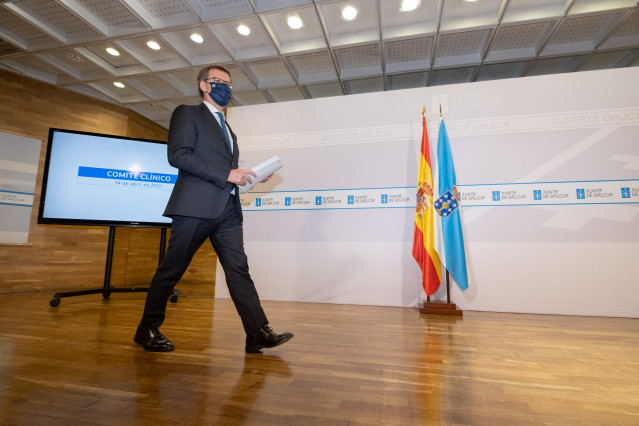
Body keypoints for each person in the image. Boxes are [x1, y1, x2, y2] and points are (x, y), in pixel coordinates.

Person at [134, 65, 293, 353]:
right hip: (194, 207)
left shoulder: (228, 128)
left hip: (228, 209)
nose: (225, 87)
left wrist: (248, 177)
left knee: (238, 270)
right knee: (172, 270)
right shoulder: (187, 113)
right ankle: (147, 329)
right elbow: (178, 155)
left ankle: (257, 331)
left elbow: (225, 170)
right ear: (204, 86)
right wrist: (228, 173)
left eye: (228, 83)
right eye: (218, 81)